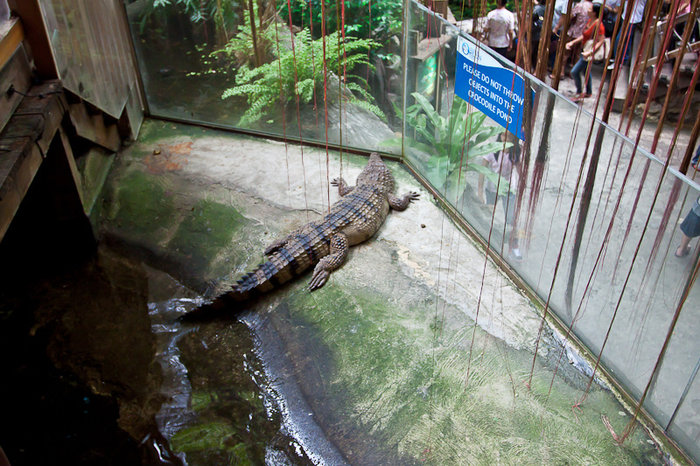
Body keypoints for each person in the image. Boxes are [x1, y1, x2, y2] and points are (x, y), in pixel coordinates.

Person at [477, 131, 523, 261]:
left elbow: (520, 173)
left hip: (508, 188)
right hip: (492, 188)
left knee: (511, 218)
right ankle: (488, 242)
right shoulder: (492, 150)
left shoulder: (515, 153)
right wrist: (480, 191)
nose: (505, 139)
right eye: (503, 135)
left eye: (508, 136)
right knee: (488, 215)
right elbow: (482, 171)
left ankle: (514, 247)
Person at [566, 3, 606, 102]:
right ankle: (588, 92)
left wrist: (590, 53)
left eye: (590, 9)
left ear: (594, 13)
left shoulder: (599, 25)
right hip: (584, 50)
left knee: (574, 72)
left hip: (588, 53)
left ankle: (579, 93)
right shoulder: (590, 21)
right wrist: (573, 42)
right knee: (586, 71)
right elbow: (584, 36)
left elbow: (601, 41)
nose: (588, 9)